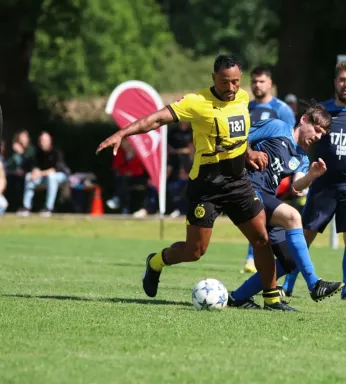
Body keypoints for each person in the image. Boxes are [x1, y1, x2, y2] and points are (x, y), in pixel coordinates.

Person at [97, 54, 286, 310]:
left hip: (239, 182)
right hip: (207, 185)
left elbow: (239, 136)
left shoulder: (243, 98)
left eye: (235, 82)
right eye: (224, 82)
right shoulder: (196, 102)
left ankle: (272, 300)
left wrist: (249, 151)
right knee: (194, 252)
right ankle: (155, 262)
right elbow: (156, 119)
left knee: (262, 239)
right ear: (213, 78)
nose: (231, 89)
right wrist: (123, 132)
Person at [282, 61, 346, 301]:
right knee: (305, 235)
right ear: (335, 82)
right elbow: (303, 140)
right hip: (323, 185)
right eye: (342, 80)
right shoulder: (322, 112)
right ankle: (287, 284)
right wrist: (299, 171)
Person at [228, 105, 344, 311]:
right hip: (246, 189)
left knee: (290, 259)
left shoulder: (301, 157)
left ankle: (239, 297)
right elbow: (241, 136)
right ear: (304, 120)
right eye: (316, 130)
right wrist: (251, 152)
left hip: (264, 198)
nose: (318, 137)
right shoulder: (277, 127)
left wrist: (312, 175)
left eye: (322, 135)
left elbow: (296, 186)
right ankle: (314, 284)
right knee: (292, 216)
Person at [241, 66, 297, 273]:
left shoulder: (281, 110)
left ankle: (255, 258)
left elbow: (293, 142)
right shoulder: (245, 108)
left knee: (262, 215)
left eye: (261, 81)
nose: (257, 85)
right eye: (254, 81)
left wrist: (291, 174)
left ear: (270, 84)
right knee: (255, 215)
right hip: (245, 170)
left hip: (271, 173)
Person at [16, 132, 69, 217]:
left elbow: (54, 170)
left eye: (44, 140)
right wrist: (34, 172)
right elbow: (35, 165)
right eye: (41, 141)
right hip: (45, 177)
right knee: (29, 177)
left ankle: (48, 208)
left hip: (61, 176)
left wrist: (40, 173)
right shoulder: (38, 152)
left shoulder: (56, 152)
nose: (42, 142)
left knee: (51, 177)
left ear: (50, 141)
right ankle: (26, 207)